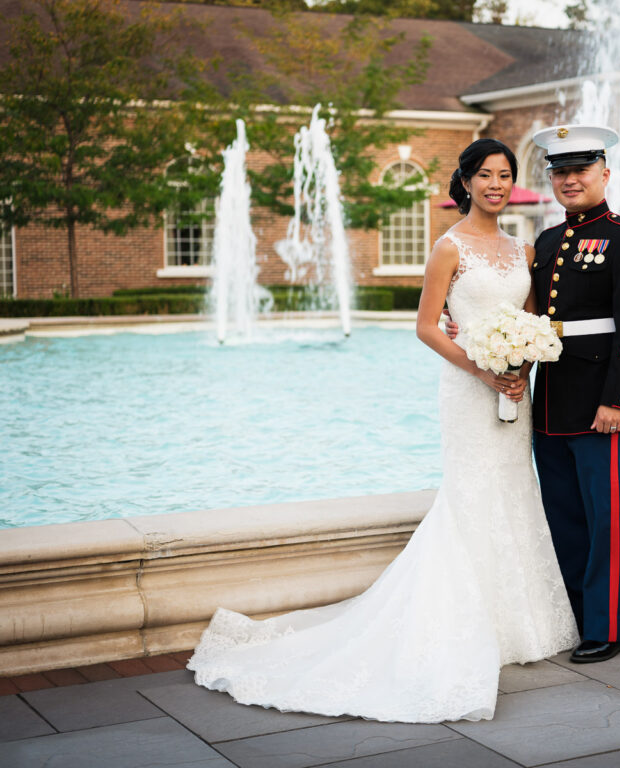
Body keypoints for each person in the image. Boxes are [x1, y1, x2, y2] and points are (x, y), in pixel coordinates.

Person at [187, 138, 577, 723]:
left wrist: (521, 363)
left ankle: (515, 626)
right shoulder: (448, 248)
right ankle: (457, 625)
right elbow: (425, 327)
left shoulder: (525, 252)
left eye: (505, 175)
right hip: (469, 391)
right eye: (485, 175)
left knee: (514, 491)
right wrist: (483, 368)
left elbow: (533, 321)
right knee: (470, 496)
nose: (496, 185)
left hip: (515, 393)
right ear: (466, 182)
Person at [446, 124, 620, 664]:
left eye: (581, 170)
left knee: (604, 515)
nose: (569, 180)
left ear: (604, 174)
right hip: (548, 403)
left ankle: (610, 626)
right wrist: (465, 326)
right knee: (561, 512)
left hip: (599, 403)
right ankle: (573, 613)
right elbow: (525, 314)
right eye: (560, 171)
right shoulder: (544, 241)